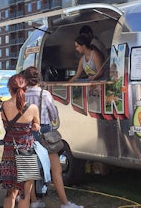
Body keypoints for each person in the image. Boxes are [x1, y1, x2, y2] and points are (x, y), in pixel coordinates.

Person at [24, 66, 84, 208]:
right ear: (39, 79)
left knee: (31, 171)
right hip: (45, 133)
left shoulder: (22, 94)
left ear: (25, 80)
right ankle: (65, 203)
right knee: (56, 170)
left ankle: (34, 202)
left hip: (27, 133)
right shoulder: (44, 94)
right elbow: (54, 115)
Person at [0, 74, 41, 208]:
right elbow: (37, 126)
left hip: (9, 152)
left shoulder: (3, 106)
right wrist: (35, 126)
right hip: (26, 151)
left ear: (9, 88)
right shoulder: (33, 108)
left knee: (10, 193)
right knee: (25, 193)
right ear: (26, 88)